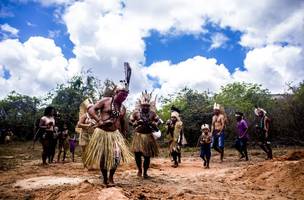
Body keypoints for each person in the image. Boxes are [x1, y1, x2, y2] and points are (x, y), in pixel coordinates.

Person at [83, 62, 133, 187]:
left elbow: (121, 123)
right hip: (102, 133)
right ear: (116, 93)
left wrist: (122, 135)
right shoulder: (105, 101)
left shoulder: (122, 108)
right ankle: (105, 179)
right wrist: (99, 121)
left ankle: (111, 177)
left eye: (126, 95)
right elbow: (91, 110)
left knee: (116, 156)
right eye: (122, 94)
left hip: (115, 135)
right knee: (104, 157)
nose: (124, 97)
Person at [130, 90, 160, 178]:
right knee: (137, 155)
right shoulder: (136, 113)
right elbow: (130, 122)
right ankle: (139, 169)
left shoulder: (153, 113)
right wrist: (135, 123)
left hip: (148, 137)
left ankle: (145, 172)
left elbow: (158, 121)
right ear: (141, 105)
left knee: (147, 156)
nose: (145, 107)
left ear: (149, 106)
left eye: (147, 106)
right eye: (144, 106)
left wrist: (155, 124)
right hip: (138, 136)